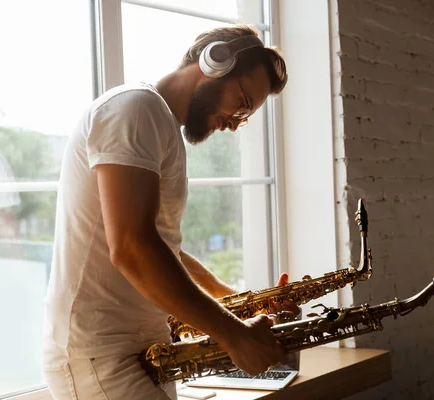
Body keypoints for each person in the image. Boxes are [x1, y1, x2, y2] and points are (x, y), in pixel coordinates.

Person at [42, 24, 289, 400]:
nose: (236, 123)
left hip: (137, 352)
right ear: (216, 62)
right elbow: (130, 245)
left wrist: (225, 295)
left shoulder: (158, 122)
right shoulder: (135, 109)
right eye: (241, 103)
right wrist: (234, 335)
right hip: (100, 357)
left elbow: (154, 241)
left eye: (246, 115)